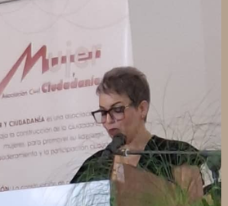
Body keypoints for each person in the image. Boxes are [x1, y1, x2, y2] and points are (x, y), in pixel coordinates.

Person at [71, 66, 206, 185]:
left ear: (142, 109)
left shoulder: (177, 156)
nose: (108, 120)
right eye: (103, 112)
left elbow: (193, 205)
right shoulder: (94, 165)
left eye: (117, 110)